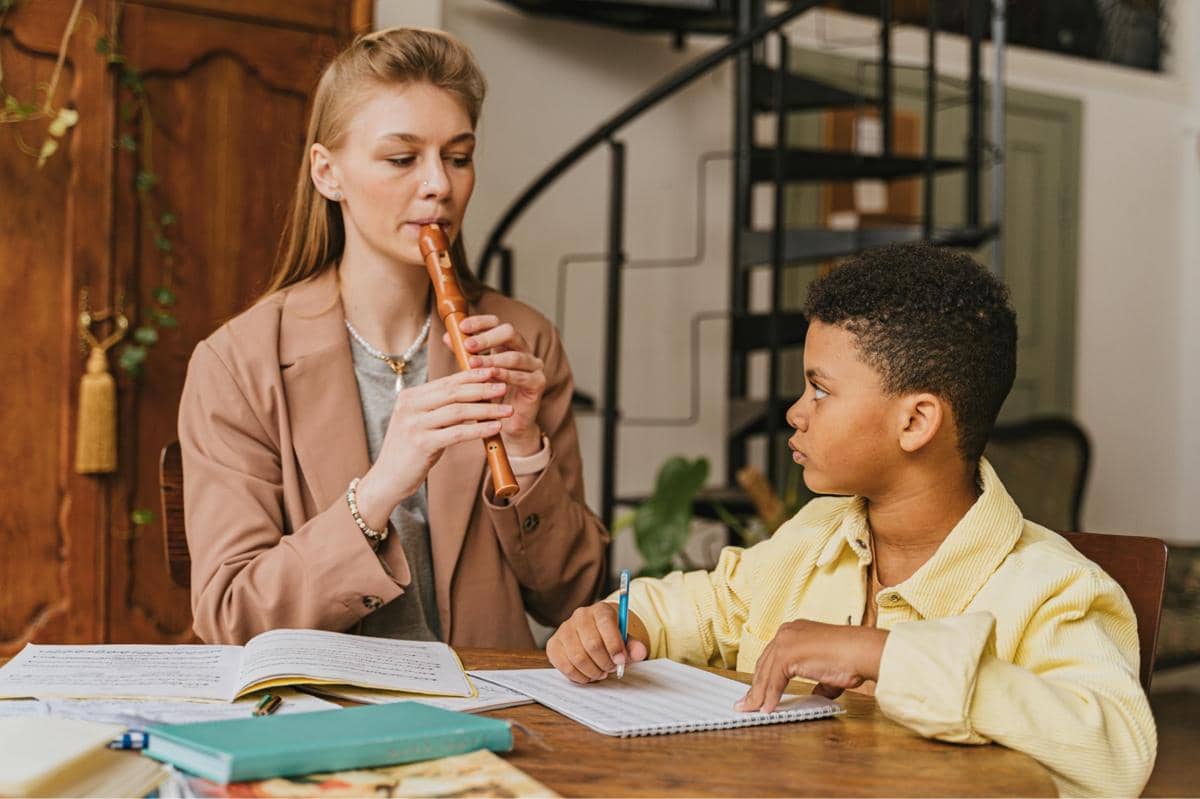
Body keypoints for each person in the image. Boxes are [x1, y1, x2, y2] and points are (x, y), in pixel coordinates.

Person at [546, 244, 1156, 797]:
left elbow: (1118, 752)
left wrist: (881, 654)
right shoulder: (815, 536)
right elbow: (709, 603)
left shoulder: (1055, 590)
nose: (795, 411)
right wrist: (624, 622)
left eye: (820, 390)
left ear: (915, 422)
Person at [178, 27, 608, 648]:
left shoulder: (526, 340)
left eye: (458, 157)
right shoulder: (238, 363)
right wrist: (380, 489)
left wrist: (525, 450)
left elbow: (574, 597)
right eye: (402, 159)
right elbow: (232, 619)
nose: (439, 184)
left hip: (492, 710)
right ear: (327, 173)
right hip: (328, 722)